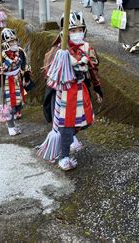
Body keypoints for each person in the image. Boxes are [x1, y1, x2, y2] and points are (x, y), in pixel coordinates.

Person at [40, 11, 103, 171]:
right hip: (64, 93)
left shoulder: (88, 48)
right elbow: (49, 74)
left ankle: (69, 137)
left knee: (83, 122)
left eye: (79, 29)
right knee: (66, 125)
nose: (77, 33)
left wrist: (97, 88)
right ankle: (64, 156)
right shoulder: (58, 51)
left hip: (81, 90)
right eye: (73, 30)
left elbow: (93, 69)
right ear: (65, 32)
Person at [0, 29, 32, 136]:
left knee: (17, 104)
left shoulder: (21, 51)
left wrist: (26, 76)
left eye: (15, 41)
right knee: (8, 106)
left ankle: (13, 124)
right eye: (11, 42)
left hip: (17, 79)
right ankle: (11, 127)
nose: (14, 44)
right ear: (5, 43)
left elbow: (25, 64)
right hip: (5, 82)